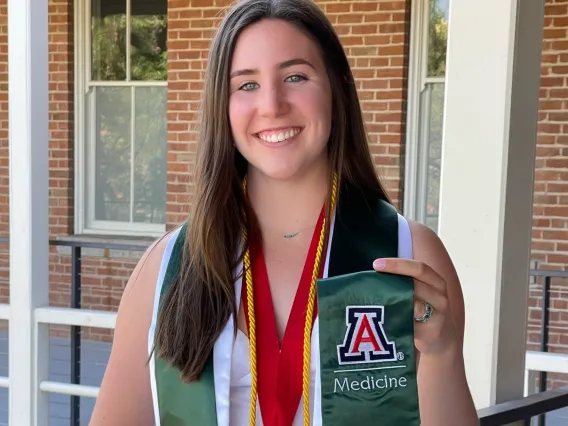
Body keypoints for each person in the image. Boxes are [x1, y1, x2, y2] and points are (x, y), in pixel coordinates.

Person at [90, 0, 479, 425]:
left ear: (338, 88)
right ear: (223, 105)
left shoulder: (408, 254)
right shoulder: (164, 270)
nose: (272, 105)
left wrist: (442, 355)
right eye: (246, 85)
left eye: (296, 76)